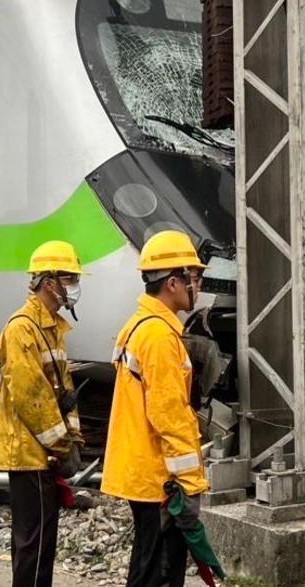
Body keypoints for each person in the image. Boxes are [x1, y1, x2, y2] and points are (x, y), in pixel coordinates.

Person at [102, 230, 208, 587]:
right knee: (160, 573)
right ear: (174, 282)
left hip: (143, 472)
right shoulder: (160, 337)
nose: (199, 285)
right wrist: (189, 484)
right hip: (160, 479)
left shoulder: (140, 326)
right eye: (195, 277)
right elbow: (170, 417)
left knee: (147, 566)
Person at [0, 240, 85, 587]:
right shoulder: (22, 329)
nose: (75, 286)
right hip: (28, 453)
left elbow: (63, 392)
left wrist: (72, 439)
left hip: (41, 452)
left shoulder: (50, 327)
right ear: (49, 283)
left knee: (42, 542)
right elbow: (33, 398)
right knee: (34, 544)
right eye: (70, 278)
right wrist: (63, 446)